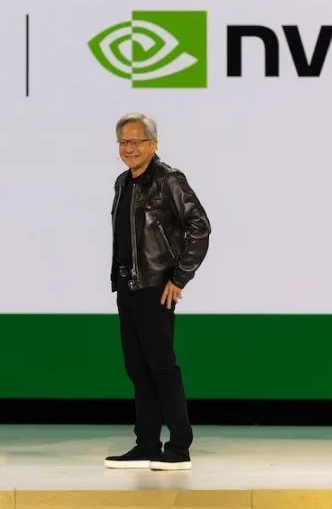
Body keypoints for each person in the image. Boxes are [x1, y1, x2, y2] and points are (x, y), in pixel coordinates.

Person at [104, 112, 211, 471]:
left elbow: (199, 226)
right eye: (123, 142)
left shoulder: (168, 179)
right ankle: (147, 444)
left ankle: (179, 447)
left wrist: (179, 278)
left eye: (136, 141)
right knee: (137, 368)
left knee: (162, 367)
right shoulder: (123, 182)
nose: (129, 148)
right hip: (128, 286)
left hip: (155, 286)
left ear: (153, 144)